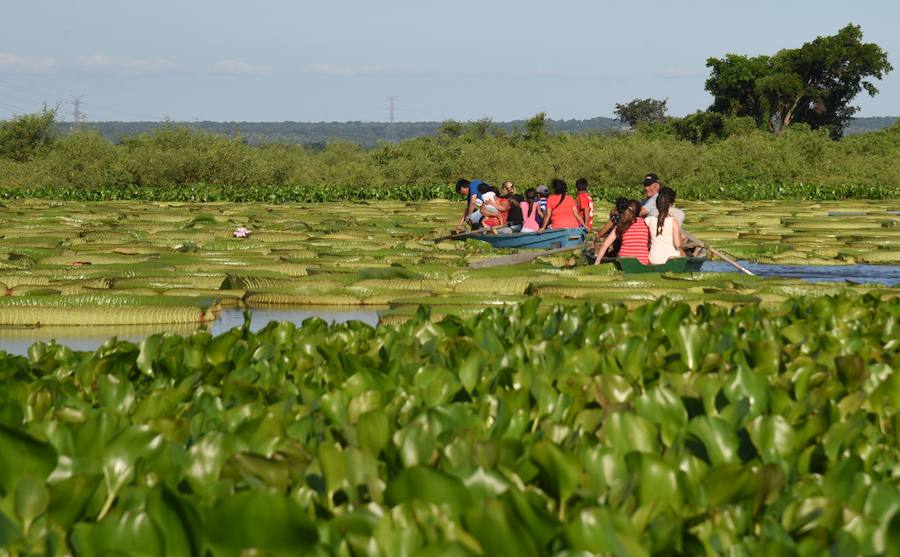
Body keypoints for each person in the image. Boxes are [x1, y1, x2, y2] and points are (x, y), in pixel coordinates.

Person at [594, 200, 649, 265]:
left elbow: (605, 244)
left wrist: (597, 262)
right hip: (643, 261)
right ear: (639, 211)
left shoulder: (621, 224)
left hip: (623, 261)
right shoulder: (646, 223)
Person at [645, 190, 682, 264]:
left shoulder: (648, 220)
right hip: (671, 259)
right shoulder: (673, 221)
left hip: (654, 259)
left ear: (656, 206)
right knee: (683, 253)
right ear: (670, 205)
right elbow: (677, 245)